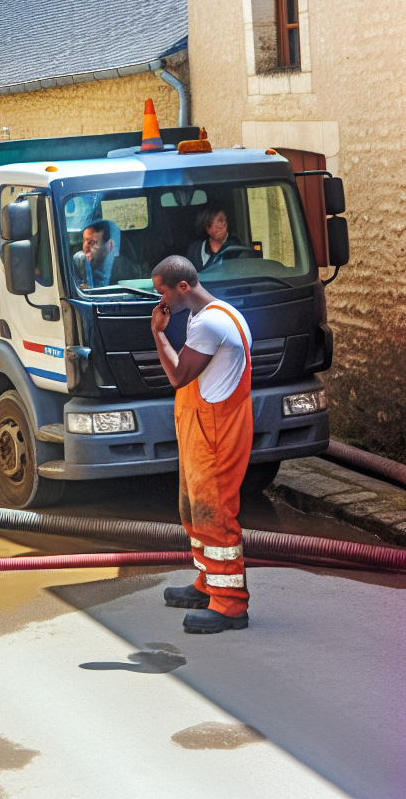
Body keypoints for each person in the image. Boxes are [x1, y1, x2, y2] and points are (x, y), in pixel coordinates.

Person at [150, 255, 253, 634]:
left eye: (162, 291)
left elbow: (178, 376)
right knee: (193, 512)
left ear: (182, 288)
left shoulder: (210, 322)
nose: (159, 300)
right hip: (200, 429)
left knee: (215, 516)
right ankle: (208, 584)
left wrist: (158, 333)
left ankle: (230, 605)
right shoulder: (212, 313)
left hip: (214, 434)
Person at [72, 219, 140, 287]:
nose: (85, 248)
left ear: (109, 245)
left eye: (92, 243)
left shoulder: (122, 268)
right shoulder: (78, 263)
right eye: (84, 241)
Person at [185, 206, 242, 272]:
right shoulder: (194, 250)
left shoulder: (235, 248)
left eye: (222, 221)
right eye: (210, 223)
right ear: (206, 227)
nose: (221, 226)